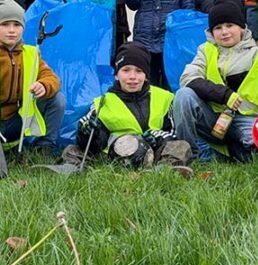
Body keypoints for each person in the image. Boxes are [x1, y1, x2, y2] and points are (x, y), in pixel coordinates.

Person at [173, 0, 258, 162]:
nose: (224, 32)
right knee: (183, 95)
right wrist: (224, 95)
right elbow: (188, 77)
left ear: (241, 27)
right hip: (213, 118)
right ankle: (187, 155)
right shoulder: (205, 50)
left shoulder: (257, 54)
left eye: (230, 25)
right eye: (218, 28)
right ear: (211, 32)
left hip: (247, 120)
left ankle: (230, 153)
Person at [60, 42, 193, 171]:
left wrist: (158, 139)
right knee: (72, 150)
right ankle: (70, 168)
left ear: (146, 75)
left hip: (153, 154)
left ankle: (165, 168)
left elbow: (172, 133)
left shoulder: (164, 98)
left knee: (181, 146)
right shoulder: (102, 102)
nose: (132, 77)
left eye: (139, 71)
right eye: (126, 70)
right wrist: (88, 133)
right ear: (116, 75)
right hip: (112, 156)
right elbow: (94, 142)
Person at [0, 0, 66, 153]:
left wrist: (43, 85)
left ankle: (45, 147)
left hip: (18, 121)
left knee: (57, 99)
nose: (11, 30)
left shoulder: (31, 53)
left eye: (17, 25)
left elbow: (52, 78)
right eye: (5, 24)